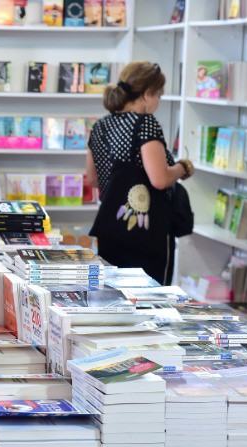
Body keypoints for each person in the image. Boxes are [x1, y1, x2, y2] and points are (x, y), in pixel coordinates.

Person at [86, 61, 194, 285]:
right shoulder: (145, 124)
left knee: (113, 298)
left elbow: (93, 179)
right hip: (145, 235)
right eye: (159, 96)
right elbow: (160, 179)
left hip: (110, 231)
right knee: (151, 301)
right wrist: (182, 167)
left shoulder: (100, 126)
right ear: (146, 94)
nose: (158, 102)